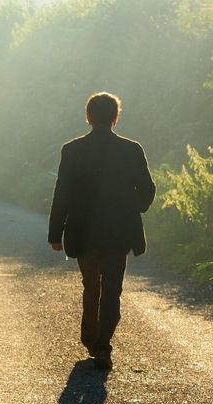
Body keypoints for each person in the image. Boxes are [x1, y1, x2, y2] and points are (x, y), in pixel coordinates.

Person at [48, 92, 155, 370]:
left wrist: (55, 233)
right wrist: (134, 207)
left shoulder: (72, 150)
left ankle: (91, 338)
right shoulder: (132, 150)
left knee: (91, 286)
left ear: (88, 117)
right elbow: (148, 190)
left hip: (83, 232)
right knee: (112, 290)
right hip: (119, 232)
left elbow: (63, 193)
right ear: (116, 118)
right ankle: (103, 345)